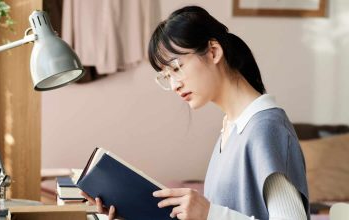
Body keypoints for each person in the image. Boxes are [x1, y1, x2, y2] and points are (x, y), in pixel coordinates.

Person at [81, 5, 310, 220]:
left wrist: (209, 213)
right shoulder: (230, 129)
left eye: (176, 68)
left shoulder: (265, 128)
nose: (174, 85)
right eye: (166, 76)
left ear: (213, 52)